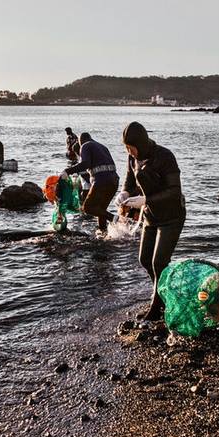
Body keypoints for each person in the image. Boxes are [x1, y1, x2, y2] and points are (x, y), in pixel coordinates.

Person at [115, 122, 186, 321]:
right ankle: (163, 294)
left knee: (159, 262)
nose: (128, 151)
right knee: (145, 259)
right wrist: (124, 194)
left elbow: (174, 191)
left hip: (172, 216)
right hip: (150, 216)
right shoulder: (132, 158)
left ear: (142, 143)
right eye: (126, 148)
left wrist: (146, 200)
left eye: (131, 147)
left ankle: (156, 307)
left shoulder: (165, 157)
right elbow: (129, 181)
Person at [63, 132, 119, 235]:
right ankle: (103, 232)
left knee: (87, 208)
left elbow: (85, 164)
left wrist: (68, 171)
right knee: (101, 209)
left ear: (81, 141)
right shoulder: (102, 147)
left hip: (101, 180)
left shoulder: (85, 145)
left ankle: (115, 218)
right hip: (114, 181)